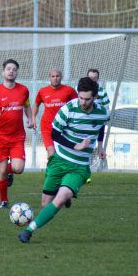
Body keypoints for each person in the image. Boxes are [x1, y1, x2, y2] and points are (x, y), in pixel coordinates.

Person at [18, 77, 109, 243]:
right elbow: (54, 134)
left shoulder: (103, 112)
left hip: (79, 167)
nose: (82, 102)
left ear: (95, 97)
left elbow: (101, 125)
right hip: (59, 161)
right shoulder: (68, 109)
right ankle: (66, 195)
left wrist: (101, 146)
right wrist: (76, 146)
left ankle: (28, 231)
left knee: (59, 200)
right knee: (45, 204)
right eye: (80, 97)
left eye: (87, 99)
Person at [0, 59, 32, 209]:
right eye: (8, 69)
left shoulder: (23, 90)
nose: (11, 71)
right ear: (3, 72)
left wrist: (30, 118)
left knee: (18, 168)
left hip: (17, 137)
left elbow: (27, 105)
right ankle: (4, 200)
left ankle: (7, 173)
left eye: (14, 69)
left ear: (17, 72)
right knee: (3, 170)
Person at [31, 68, 78, 158]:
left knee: (63, 154)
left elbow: (76, 105)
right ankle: (51, 172)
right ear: (49, 78)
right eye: (53, 76)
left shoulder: (69, 90)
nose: (55, 78)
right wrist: (33, 117)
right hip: (47, 126)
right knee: (51, 151)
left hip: (64, 127)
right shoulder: (42, 91)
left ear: (61, 77)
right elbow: (36, 104)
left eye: (57, 76)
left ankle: (61, 171)